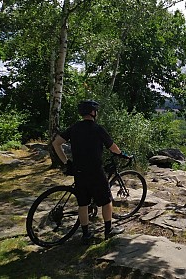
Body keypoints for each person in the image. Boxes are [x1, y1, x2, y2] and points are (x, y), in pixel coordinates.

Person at [52, 99, 129, 244]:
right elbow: (113, 148)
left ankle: (86, 235)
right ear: (93, 112)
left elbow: (56, 143)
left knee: (83, 203)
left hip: (79, 171)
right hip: (95, 171)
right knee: (106, 201)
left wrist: (66, 163)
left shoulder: (74, 128)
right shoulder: (97, 128)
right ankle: (108, 231)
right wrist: (122, 154)